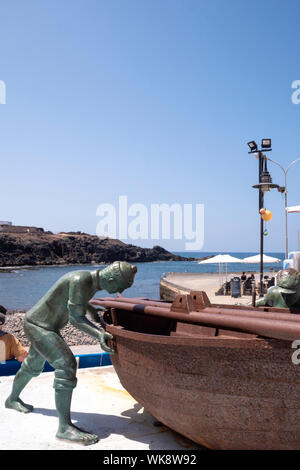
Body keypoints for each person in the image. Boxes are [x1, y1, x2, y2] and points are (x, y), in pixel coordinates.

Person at [5, 261, 137, 446]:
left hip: (42, 324)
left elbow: (76, 302)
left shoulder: (90, 280)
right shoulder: (81, 280)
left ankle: (12, 400)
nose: (120, 291)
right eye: (120, 286)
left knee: (32, 367)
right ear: (112, 279)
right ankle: (64, 428)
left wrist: (91, 311)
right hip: (40, 326)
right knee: (66, 365)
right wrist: (99, 334)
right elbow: (75, 319)